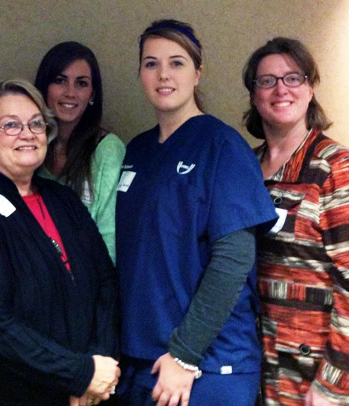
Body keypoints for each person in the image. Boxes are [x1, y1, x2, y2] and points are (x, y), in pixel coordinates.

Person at [115, 19, 277, 406]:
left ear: (198, 72)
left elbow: (234, 260)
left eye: (177, 62)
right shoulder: (137, 151)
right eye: (151, 63)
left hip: (206, 366)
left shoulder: (222, 147)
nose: (163, 74)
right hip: (144, 360)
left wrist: (185, 353)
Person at [0, 79, 119, 405]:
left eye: (36, 123)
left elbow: (105, 281)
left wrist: (96, 368)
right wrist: (77, 373)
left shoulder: (62, 200)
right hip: (5, 396)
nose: (27, 133)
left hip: (82, 393)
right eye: (11, 125)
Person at [243, 37, 349, 406]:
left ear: (310, 88)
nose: (280, 89)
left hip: (321, 378)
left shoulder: (338, 169)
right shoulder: (243, 169)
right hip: (263, 370)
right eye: (267, 80)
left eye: (293, 78)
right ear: (254, 95)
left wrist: (335, 385)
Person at [34, 41, 125, 263]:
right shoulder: (29, 145)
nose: (70, 93)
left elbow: (109, 244)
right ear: (44, 88)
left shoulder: (108, 150)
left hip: (88, 283)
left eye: (81, 83)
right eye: (60, 81)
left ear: (92, 94)